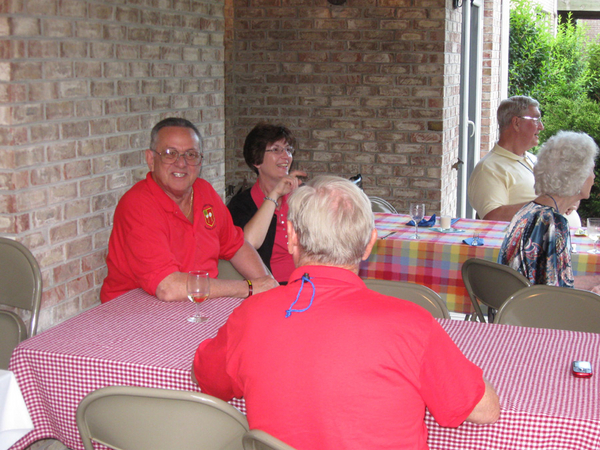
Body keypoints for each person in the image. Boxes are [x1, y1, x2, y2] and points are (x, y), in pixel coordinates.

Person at [193, 176, 500, 450]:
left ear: (291, 238)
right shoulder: (410, 324)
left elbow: (208, 377)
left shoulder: (251, 316)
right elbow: (484, 410)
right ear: (369, 245)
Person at [100, 118, 278, 303]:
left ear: (200, 161)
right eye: (170, 153)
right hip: (134, 313)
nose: (182, 163)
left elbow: (236, 245)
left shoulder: (204, 191)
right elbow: (168, 288)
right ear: (151, 160)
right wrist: (248, 288)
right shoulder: (138, 205)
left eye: (191, 154)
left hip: (196, 307)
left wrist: (267, 287)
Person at [498, 131, 600, 292]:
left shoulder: (531, 211)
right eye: (592, 170)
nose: (593, 177)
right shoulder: (553, 223)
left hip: (516, 307)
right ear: (576, 177)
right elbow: (553, 296)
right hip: (533, 312)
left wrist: (594, 282)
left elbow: (552, 281)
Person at [467, 96, 581, 226]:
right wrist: (553, 203)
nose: (541, 127)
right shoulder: (489, 168)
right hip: (533, 246)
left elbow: (560, 196)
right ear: (516, 123)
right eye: (536, 120)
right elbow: (492, 216)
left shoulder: (534, 159)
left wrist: (571, 200)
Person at [227, 123, 306, 283]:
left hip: (309, 280)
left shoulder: (302, 195)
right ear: (257, 160)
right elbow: (248, 243)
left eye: (289, 150)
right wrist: (274, 195)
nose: (286, 157)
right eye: (276, 150)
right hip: (270, 285)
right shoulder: (241, 204)